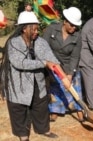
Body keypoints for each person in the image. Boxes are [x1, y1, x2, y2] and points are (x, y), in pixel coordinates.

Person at [0, 11, 59, 141]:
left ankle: (43, 129)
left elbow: (51, 58)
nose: (36, 32)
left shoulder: (41, 42)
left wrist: (59, 69)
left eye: (37, 29)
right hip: (17, 83)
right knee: (19, 109)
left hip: (37, 80)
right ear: (24, 28)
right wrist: (44, 63)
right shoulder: (13, 43)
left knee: (40, 106)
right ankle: (23, 134)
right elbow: (19, 63)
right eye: (34, 29)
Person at [42, 7, 85, 121]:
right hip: (53, 64)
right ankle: (55, 110)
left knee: (75, 86)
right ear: (65, 21)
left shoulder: (78, 36)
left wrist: (70, 74)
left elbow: (75, 56)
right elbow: (43, 47)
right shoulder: (52, 29)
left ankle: (79, 109)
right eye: (71, 25)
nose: (73, 27)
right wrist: (49, 63)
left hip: (69, 64)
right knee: (55, 87)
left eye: (76, 26)